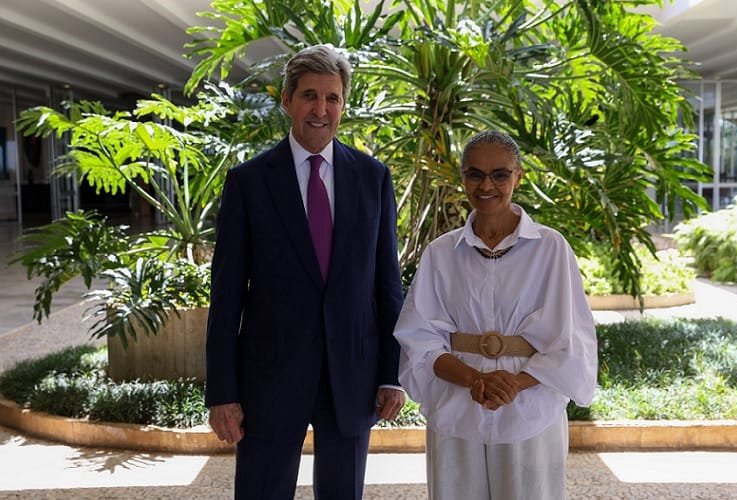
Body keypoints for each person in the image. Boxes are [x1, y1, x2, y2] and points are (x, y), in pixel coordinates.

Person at [205, 44, 406, 499]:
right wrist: (222, 391)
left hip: (351, 380)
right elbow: (227, 296)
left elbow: (386, 286)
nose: (321, 109)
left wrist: (392, 373)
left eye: (332, 98)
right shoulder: (249, 182)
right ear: (286, 100)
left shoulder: (373, 178)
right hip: (269, 381)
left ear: (343, 104)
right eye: (310, 96)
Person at [393, 130, 597, 499]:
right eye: (475, 174)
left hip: (530, 409)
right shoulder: (441, 254)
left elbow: (571, 339)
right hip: (456, 406)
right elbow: (419, 338)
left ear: (518, 176)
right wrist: (473, 379)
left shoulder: (550, 249)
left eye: (500, 174)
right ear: (463, 178)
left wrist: (514, 384)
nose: (486, 185)